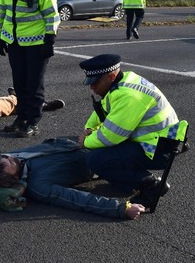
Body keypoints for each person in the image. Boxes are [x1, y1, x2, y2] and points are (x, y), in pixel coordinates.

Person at [77, 53, 188, 208]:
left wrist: (85, 141)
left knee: (95, 159)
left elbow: (109, 138)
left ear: (110, 76)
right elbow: (102, 110)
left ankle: (152, 186)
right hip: (154, 141)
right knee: (96, 146)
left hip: (157, 149)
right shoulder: (123, 81)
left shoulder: (129, 96)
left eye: (95, 82)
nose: (92, 87)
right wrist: (88, 129)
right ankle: (126, 176)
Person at [0, 137, 145, 220]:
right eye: (10, 162)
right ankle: (151, 181)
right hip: (97, 159)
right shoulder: (39, 186)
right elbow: (76, 199)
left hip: (77, 142)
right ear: (13, 178)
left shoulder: (5, 161)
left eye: (7, 157)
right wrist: (121, 209)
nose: (12, 157)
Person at [0, 0, 60, 138]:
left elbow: (51, 15)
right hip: (14, 42)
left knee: (34, 85)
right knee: (19, 83)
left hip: (37, 44)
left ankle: (33, 121)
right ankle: (21, 118)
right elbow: (0, 11)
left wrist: (50, 39)